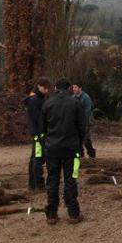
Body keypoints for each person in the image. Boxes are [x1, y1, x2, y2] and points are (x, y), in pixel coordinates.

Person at [41, 78, 86, 225]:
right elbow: (82, 127)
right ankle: (73, 213)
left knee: (52, 180)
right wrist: (80, 145)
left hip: (52, 148)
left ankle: (51, 214)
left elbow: (43, 127)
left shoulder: (47, 104)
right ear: (69, 89)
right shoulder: (76, 104)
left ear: (55, 88)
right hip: (71, 149)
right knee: (71, 179)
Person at [25, 77, 51, 191]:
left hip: (37, 133)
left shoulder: (37, 99)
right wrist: (45, 130)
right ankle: (38, 184)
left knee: (35, 158)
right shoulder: (35, 100)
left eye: (48, 88)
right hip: (39, 134)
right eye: (45, 88)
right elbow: (38, 118)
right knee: (38, 158)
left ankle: (32, 183)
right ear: (39, 86)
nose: (47, 90)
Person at [72, 83, 96, 159]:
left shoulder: (86, 98)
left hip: (86, 120)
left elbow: (87, 111)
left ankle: (91, 153)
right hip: (77, 121)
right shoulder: (73, 97)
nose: (74, 89)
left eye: (76, 87)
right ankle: (80, 154)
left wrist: (84, 123)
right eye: (73, 87)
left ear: (80, 88)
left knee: (85, 138)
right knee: (77, 138)